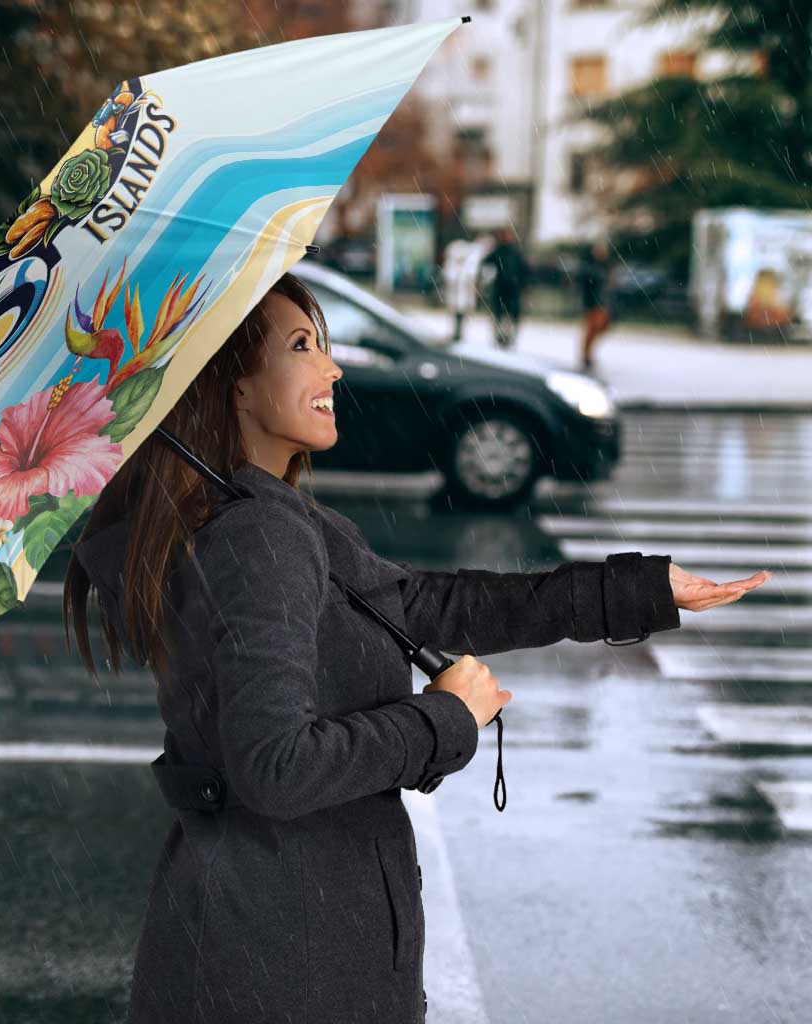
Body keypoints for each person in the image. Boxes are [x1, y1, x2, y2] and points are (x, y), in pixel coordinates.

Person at [63, 271, 764, 1024]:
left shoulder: (263, 517)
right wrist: (444, 719)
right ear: (233, 385)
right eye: (302, 346)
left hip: (270, 940)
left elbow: (426, 605)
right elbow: (275, 768)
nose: (332, 368)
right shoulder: (257, 536)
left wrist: (638, 591)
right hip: (287, 963)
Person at [480, 226, 530, 349]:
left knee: (508, 315)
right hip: (503, 288)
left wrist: (523, 284)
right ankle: (501, 337)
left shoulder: (513, 252)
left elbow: (524, 270)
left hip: (511, 288)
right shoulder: (500, 251)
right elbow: (486, 264)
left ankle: (507, 337)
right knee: (501, 314)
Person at [578, 239, 614, 370]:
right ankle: (586, 355)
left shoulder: (605, 266)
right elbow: (587, 286)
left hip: (602, 303)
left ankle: (587, 354)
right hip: (593, 303)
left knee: (600, 328)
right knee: (592, 329)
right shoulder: (590, 267)